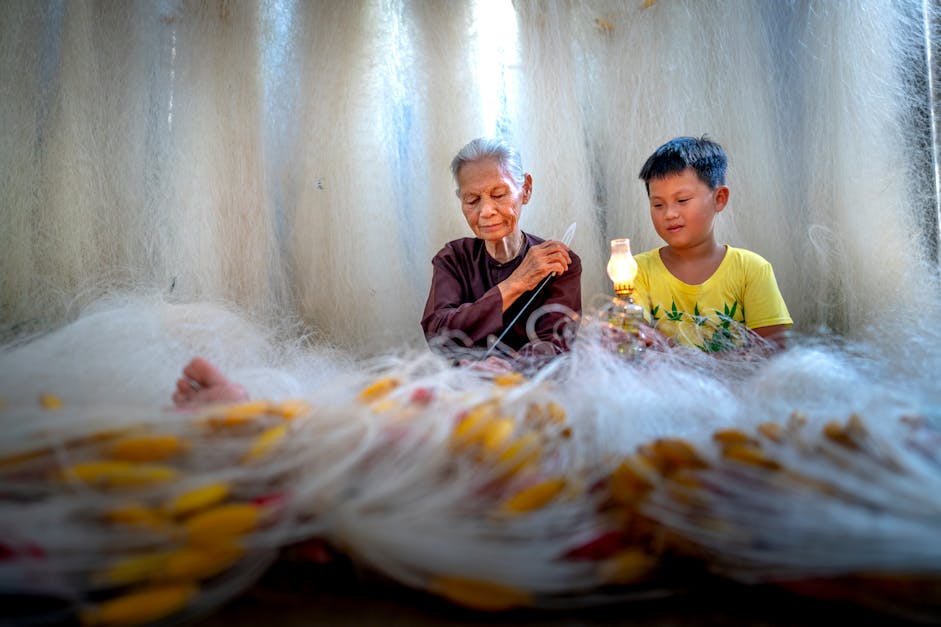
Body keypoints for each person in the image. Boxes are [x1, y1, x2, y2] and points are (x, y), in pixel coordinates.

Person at [420, 138, 582, 361]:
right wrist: (516, 283)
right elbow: (439, 336)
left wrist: (513, 369)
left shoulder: (556, 262)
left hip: (537, 391)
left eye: (498, 195)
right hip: (469, 391)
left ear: (526, 189)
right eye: (472, 199)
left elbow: (555, 346)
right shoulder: (453, 259)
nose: (486, 211)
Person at [632, 136, 792, 352]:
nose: (669, 214)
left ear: (719, 198)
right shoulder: (638, 270)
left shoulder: (751, 270)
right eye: (658, 204)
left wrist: (674, 352)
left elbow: (774, 353)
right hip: (664, 386)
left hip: (735, 384)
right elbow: (633, 338)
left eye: (682, 200)